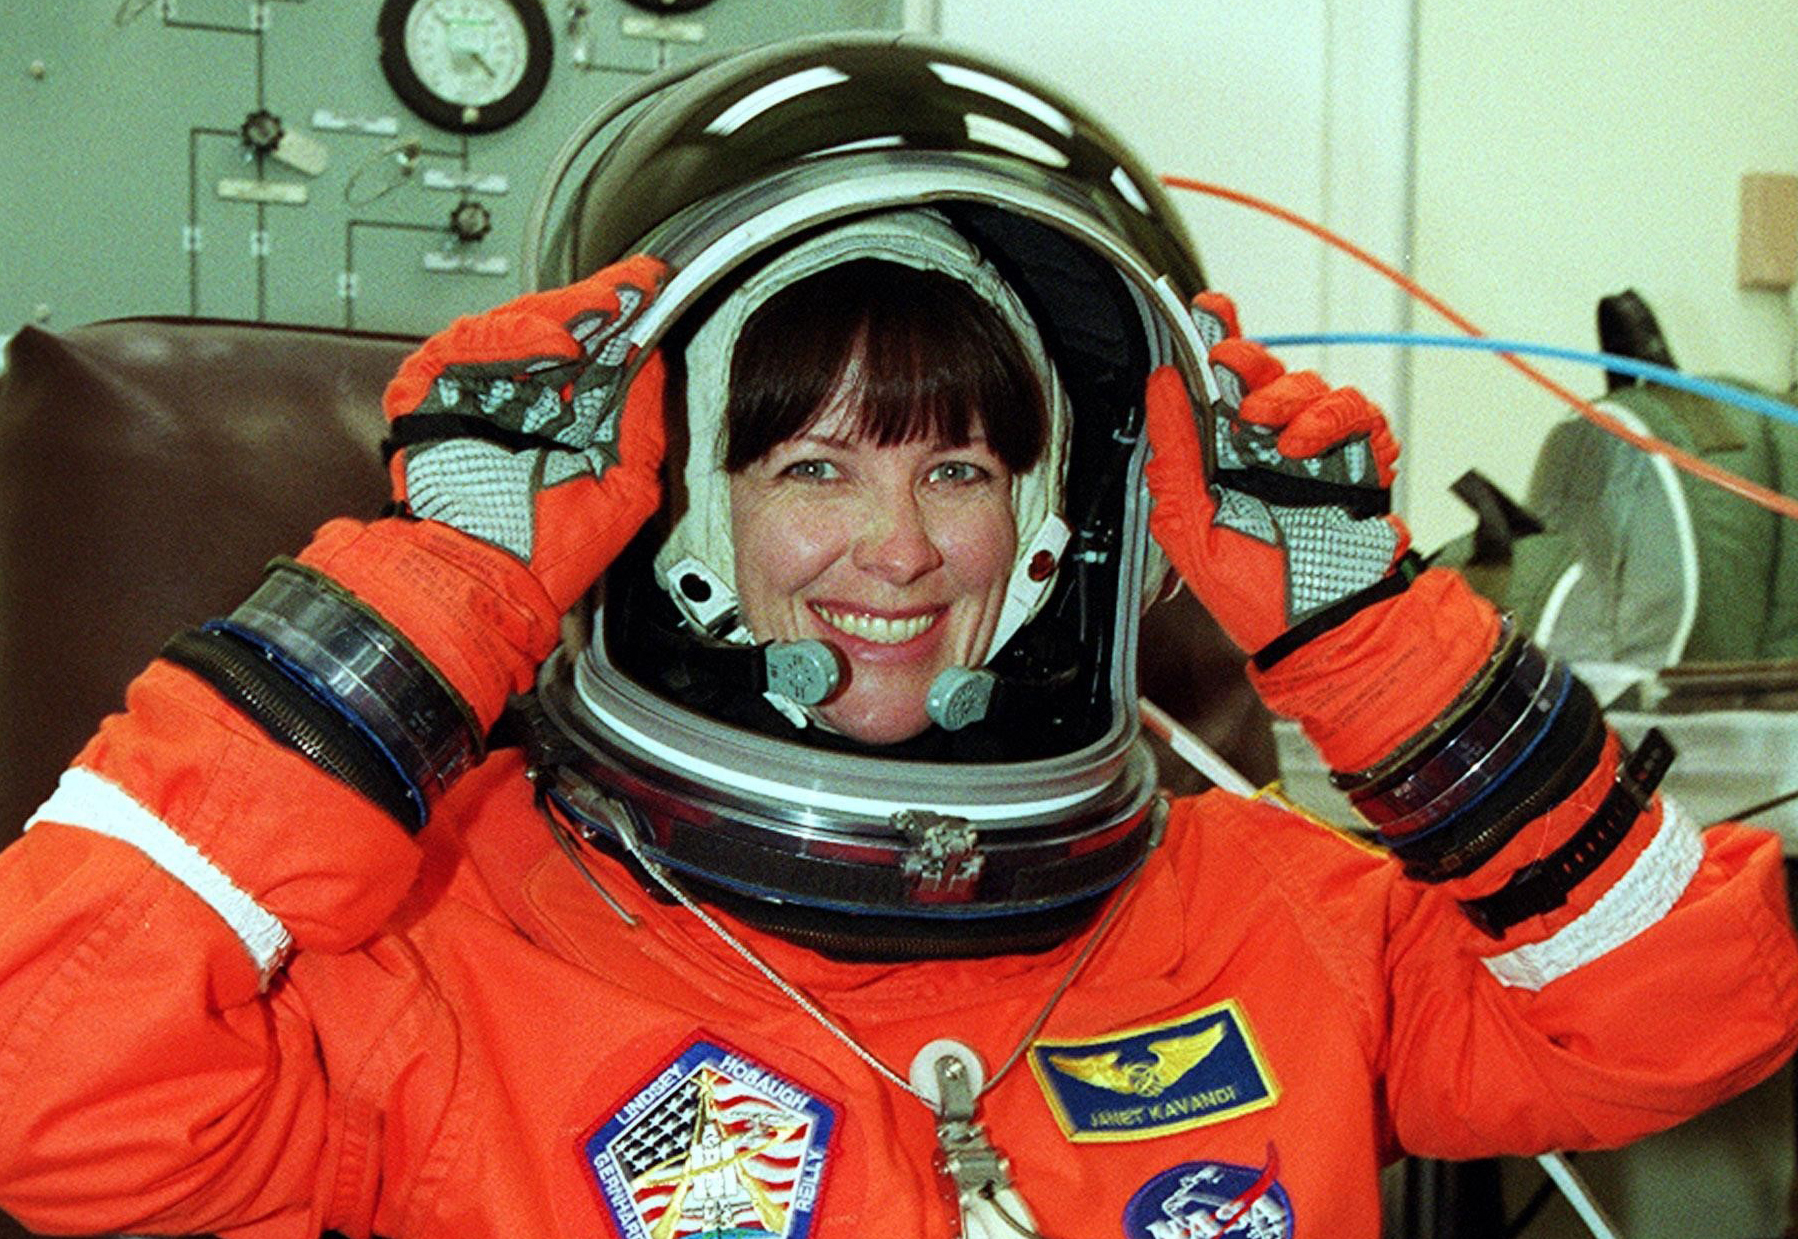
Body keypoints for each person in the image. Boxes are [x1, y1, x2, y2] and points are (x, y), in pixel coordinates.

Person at [1, 34, 1795, 1239]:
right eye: (806, 461)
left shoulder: (1265, 917)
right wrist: (439, 582)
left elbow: (1681, 1017)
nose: (897, 546)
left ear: (1054, 524)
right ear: (670, 499)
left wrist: (1370, 635)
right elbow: (48, 1092)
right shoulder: (446, 940)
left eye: (961, 461)